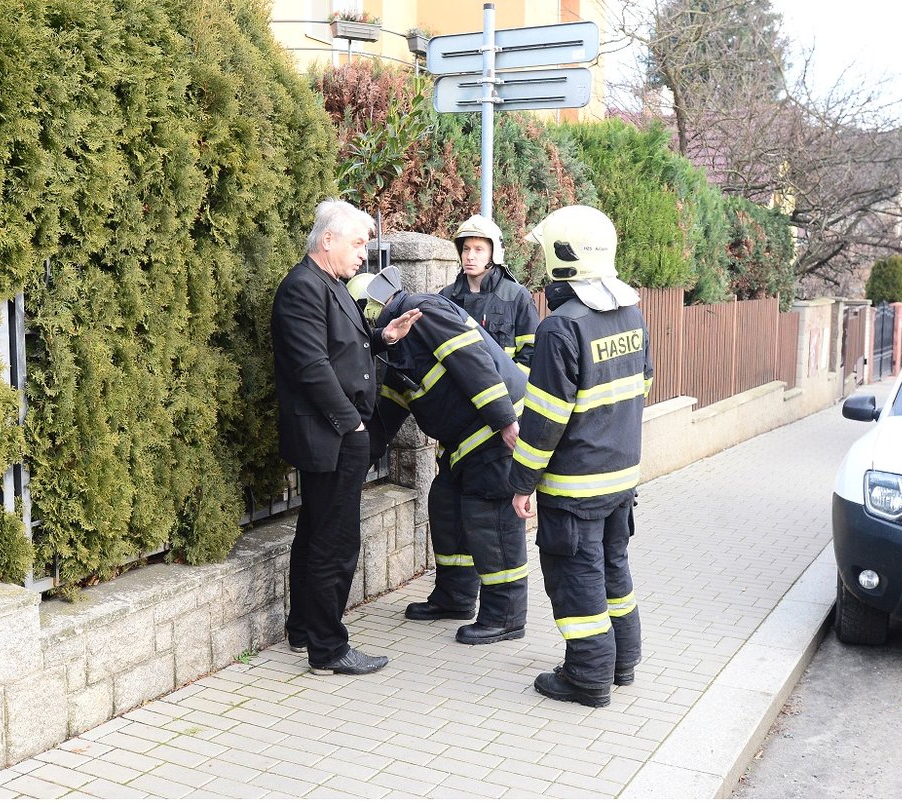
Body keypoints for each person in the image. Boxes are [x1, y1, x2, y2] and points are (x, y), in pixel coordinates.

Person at [509, 205, 654, 708]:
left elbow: (544, 418)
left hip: (574, 487)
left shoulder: (560, 327)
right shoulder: (632, 313)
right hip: (621, 478)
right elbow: (643, 387)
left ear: (561, 257)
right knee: (614, 568)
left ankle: (588, 678)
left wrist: (522, 482)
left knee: (577, 579)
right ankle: (622, 663)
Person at [271, 198, 420, 675]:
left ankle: (302, 630)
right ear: (327, 240)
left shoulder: (326, 284)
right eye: (358, 244)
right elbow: (311, 367)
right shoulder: (302, 288)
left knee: (316, 531)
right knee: (334, 541)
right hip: (332, 435)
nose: (363, 255)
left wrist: (384, 337)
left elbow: (342, 349)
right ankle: (329, 649)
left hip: (335, 433)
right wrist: (351, 424)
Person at [349, 267, 529, 645]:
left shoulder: (422, 312)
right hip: (464, 443)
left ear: (370, 310)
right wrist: (350, 468)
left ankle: (506, 616)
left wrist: (505, 421)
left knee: (491, 517)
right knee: (446, 504)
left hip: (496, 432)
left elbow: (473, 362)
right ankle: (455, 598)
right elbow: (387, 415)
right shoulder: (398, 347)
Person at [440, 215, 540, 374]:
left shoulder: (516, 297)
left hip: (503, 394)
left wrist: (511, 384)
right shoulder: (446, 297)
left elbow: (532, 352)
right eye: (466, 249)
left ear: (494, 253)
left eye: (479, 249)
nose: (470, 256)